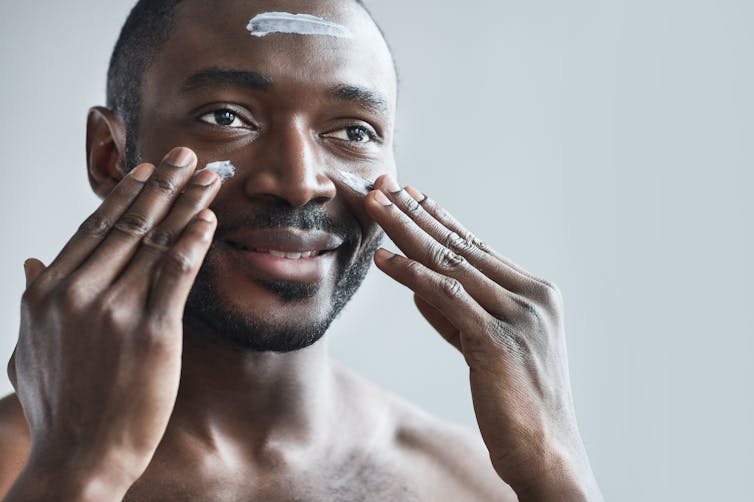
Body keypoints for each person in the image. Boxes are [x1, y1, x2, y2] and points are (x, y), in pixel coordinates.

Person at [0, 0, 603, 500]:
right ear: (110, 156)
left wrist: (558, 474)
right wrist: (75, 476)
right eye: (227, 115)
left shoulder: (473, 485)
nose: (299, 180)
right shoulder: (22, 468)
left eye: (352, 132)